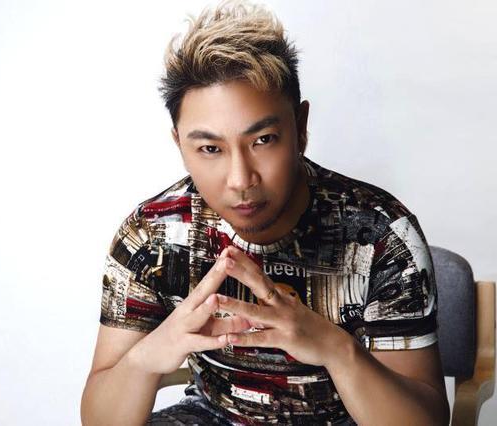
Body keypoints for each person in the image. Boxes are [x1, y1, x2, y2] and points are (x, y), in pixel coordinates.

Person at [80, 0, 450, 424]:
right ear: (180, 144)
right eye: (210, 148)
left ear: (301, 127)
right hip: (215, 413)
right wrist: (148, 356)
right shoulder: (152, 237)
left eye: (263, 140)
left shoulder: (380, 234)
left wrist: (335, 348)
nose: (241, 179)